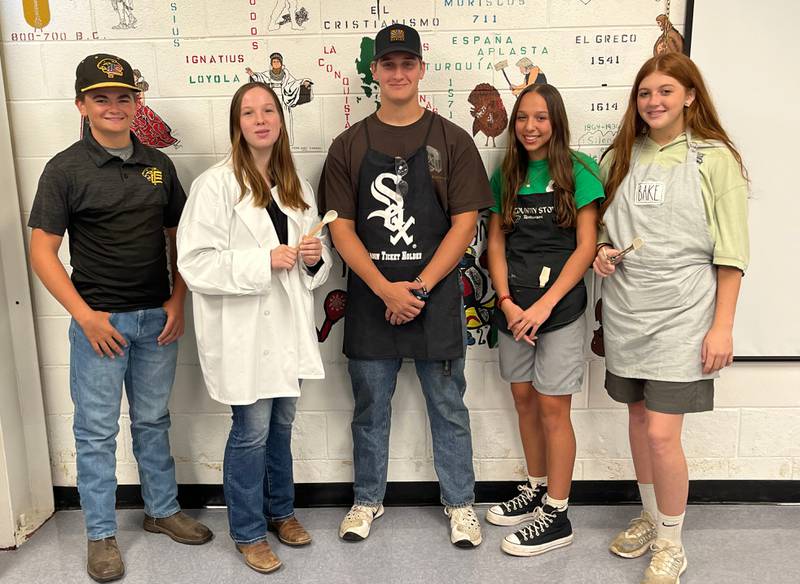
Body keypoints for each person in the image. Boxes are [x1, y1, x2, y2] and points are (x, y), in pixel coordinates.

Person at [28, 53, 212, 583]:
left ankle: (162, 510)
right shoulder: (64, 169)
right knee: (95, 432)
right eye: (101, 98)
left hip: (157, 321)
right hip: (99, 326)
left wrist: (177, 300)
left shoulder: (159, 163)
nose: (114, 107)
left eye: (123, 97)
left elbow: (182, 241)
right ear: (82, 104)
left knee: (154, 421)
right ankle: (100, 535)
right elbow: (42, 253)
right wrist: (85, 317)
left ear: (138, 103)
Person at [318, 23, 494, 547]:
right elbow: (340, 227)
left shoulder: (452, 140)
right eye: (388, 64)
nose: (398, 73)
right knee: (371, 409)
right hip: (372, 301)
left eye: (407, 64)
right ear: (375, 73)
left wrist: (414, 288)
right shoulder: (348, 145)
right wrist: (384, 289)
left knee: (448, 406)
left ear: (421, 70)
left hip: (435, 299)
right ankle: (367, 500)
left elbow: (465, 225)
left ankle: (461, 504)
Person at [593, 52, 749, 584]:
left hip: (684, 313)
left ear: (689, 96)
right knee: (638, 420)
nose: (653, 101)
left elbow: (732, 255)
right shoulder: (620, 157)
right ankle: (651, 515)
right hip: (627, 310)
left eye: (665, 91)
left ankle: (672, 542)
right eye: (644, 93)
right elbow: (602, 233)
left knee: (662, 432)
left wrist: (722, 326)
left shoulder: (713, 159)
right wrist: (601, 253)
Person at [177, 82, 331, 573]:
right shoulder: (214, 185)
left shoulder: (295, 186)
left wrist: (312, 259)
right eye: (249, 112)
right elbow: (194, 264)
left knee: (282, 426)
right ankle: (247, 532)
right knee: (250, 432)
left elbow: (315, 262)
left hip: (286, 332)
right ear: (237, 124)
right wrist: (263, 260)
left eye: (269, 110)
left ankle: (281, 512)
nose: (260, 119)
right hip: (243, 334)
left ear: (281, 122)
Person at [485, 84, 603, 556]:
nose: (530, 128)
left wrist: (544, 306)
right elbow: (495, 242)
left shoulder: (580, 172)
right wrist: (509, 301)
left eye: (540, 118)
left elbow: (586, 247)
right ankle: (535, 489)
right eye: (521, 119)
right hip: (515, 311)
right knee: (524, 400)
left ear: (556, 121)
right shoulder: (507, 172)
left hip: (558, 311)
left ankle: (557, 511)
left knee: (554, 408)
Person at [246, 53, 313, 145]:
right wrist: (253, 75)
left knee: (284, 120)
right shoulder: (267, 75)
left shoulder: (286, 75)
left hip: (283, 101)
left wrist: (303, 82)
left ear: (281, 63)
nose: (276, 63)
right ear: (271, 63)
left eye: (277, 61)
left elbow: (293, 84)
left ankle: (285, 141)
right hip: (271, 101)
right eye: (274, 62)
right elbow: (260, 79)